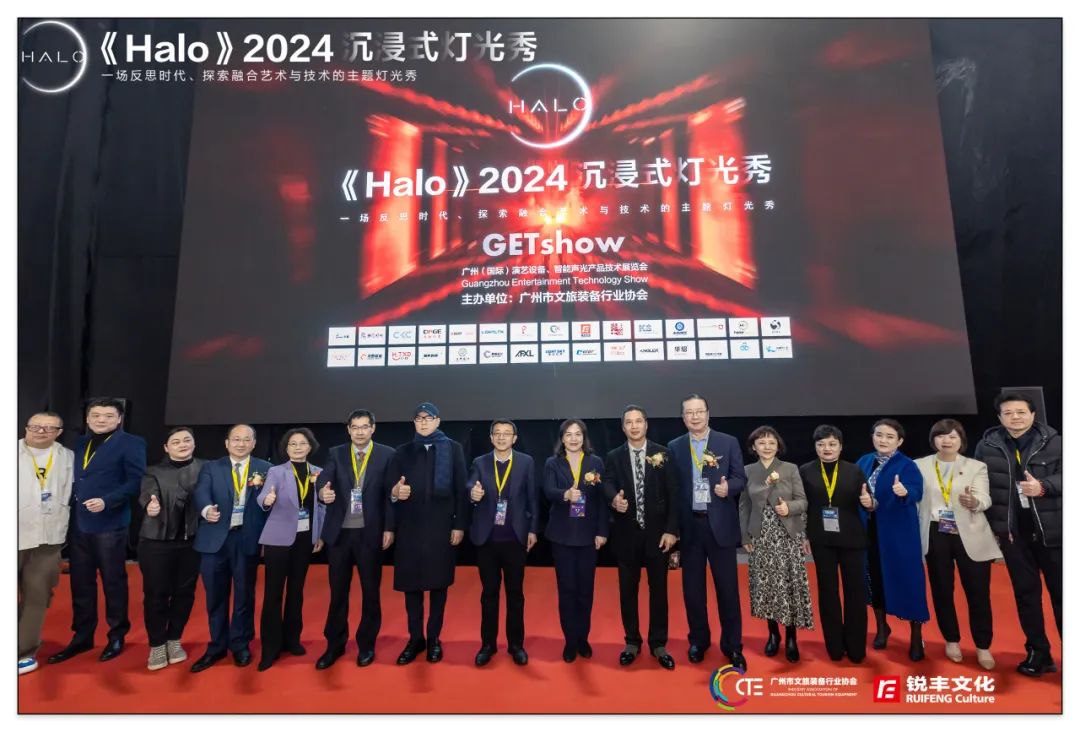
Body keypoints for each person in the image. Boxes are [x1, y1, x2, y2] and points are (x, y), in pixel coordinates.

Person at [49, 398, 146, 665]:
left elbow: (136, 481)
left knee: (113, 582)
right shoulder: (81, 442)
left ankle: (117, 635)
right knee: (80, 583)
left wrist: (107, 501)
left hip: (110, 524)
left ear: (119, 419)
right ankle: (82, 636)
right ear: (88, 418)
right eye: (95, 415)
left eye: (108, 415)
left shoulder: (132, 443)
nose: (101, 420)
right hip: (79, 524)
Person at [974, 392, 1062, 677]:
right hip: (1013, 535)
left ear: (1033, 414)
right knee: (1026, 596)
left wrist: (1045, 486)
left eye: (1021, 412)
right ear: (1000, 417)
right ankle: (1038, 652)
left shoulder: (1056, 442)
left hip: (1054, 533)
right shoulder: (987, 446)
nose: (1015, 417)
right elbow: (980, 483)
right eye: (1008, 413)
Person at [667, 393, 747, 669]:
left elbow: (740, 478)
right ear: (683, 417)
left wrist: (729, 488)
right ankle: (698, 641)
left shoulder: (727, 442)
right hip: (690, 527)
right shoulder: (675, 446)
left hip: (720, 526)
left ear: (708, 413)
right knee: (693, 591)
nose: (695, 417)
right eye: (689, 412)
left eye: (699, 411)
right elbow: (672, 489)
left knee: (728, 590)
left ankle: (733, 645)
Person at [312, 409, 396, 669]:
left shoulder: (387, 454)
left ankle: (366, 644)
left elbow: (389, 494)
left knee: (371, 592)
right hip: (340, 534)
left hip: (371, 532)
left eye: (364, 427)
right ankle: (334, 644)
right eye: (355, 427)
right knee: (338, 592)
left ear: (373, 428)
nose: (360, 432)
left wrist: (389, 528)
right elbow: (323, 480)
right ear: (348, 430)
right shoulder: (336, 453)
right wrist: (322, 492)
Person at [915, 419, 1000, 670]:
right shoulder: (919, 465)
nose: (947, 441)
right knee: (942, 590)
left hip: (970, 532)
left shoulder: (976, 466)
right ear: (933, 439)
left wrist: (976, 502)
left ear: (961, 440)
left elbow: (985, 497)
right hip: (935, 531)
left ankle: (983, 646)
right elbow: (915, 498)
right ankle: (951, 640)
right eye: (941, 436)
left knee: (978, 593)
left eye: (952, 436)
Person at [389, 402, 468, 665]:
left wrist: (459, 525)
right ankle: (415, 639)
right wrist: (395, 493)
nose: (423, 422)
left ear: (438, 421)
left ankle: (434, 638)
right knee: (411, 586)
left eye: (428, 417)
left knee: (438, 585)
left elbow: (461, 490)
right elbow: (389, 489)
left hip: (441, 528)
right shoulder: (402, 452)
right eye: (419, 418)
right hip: (409, 528)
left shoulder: (453, 449)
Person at [190, 424, 271, 672]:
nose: (241, 444)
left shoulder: (265, 468)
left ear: (254, 443)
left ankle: (240, 644)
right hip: (215, 539)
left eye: (246, 439)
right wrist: (206, 510)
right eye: (236, 439)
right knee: (215, 596)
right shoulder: (211, 467)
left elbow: (269, 502)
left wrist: (268, 504)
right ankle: (216, 646)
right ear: (227, 443)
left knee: (244, 595)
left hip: (247, 538)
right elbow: (200, 493)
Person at [602, 405, 679, 670]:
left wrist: (671, 530)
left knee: (659, 591)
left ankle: (658, 644)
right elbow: (607, 482)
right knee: (628, 591)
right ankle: (632, 642)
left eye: (638, 421)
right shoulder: (614, 456)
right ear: (623, 427)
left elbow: (674, 493)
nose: (634, 426)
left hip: (658, 536)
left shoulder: (663, 453)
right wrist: (614, 499)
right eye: (629, 422)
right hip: (626, 535)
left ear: (646, 424)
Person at [738, 425, 813, 663]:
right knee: (767, 587)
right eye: (761, 442)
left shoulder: (790, 468)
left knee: (789, 586)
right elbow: (744, 506)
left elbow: (803, 502)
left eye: (771, 442)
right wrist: (745, 536)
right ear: (753, 447)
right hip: (760, 536)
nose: (767, 446)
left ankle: (791, 637)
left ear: (778, 445)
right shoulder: (747, 471)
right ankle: (773, 634)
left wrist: (788, 508)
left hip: (787, 535)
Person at [856, 418, 930, 661]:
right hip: (869, 532)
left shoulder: (907, 465)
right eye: (879, 435)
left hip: (899, 535)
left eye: (889, 436)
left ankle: (916, 636)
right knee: (874, 580)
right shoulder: (864, 461)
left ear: (899, 441)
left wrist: (905, 491)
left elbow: (917, 491)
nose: (883, 440)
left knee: (910, 583)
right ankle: (881, 628)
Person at [467, 419, 538, 667]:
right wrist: (473, 493)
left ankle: (516, 645)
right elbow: (470, 483)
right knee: (489, 594)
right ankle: (488, 644)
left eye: (506, 433)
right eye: (497, 433)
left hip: (515, 539)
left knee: (515, 594)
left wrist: (533, 529)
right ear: (491, 438)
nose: (501, 437)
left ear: (514, 438)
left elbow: (532, 498)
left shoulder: (526, 462)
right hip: (486, 540)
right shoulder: (480, 462)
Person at [254, 428, 326, 671]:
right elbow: (264, 496)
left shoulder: (318, 472)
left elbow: (322, 507)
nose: (297, 447)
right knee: (273, 594)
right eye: (292, 444)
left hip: (305, 539)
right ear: (286, 448)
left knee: (296, 591)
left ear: (310, 447)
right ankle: (270, 648)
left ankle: (292, 640)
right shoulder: (276, 471)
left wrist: (319, 534)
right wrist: (266, 500)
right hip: (278, 540)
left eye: (302, 443)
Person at [799, 424, 870, 663]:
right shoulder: (805, 471)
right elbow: (802, 507)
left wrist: (869, 503)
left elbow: (868, 501)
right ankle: (835, 646)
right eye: (821, 444)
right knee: (828, 592)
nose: (826, 448)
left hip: (852, 539)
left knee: (855, 592)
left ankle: (856, 647)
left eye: (832, 444)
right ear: (815, 447)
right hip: (821, 540)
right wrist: (804, 535)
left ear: (840, 446)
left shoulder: (854, 470)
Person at [137, 427, 204, 671]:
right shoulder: (153, 471)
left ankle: (174, 639)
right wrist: (151, 505)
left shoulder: (206, 468)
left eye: (187, 440)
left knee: (185, 593)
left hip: (192, 542)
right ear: (166, 447)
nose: (182, 444)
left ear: (194, 444)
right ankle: (157, 644)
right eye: (176, 442)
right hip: (157, 541)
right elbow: (148, 494)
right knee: (156, 593)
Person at [544, 418, 608, 663]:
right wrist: (565, 495)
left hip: (587, 536)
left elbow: (601, 500)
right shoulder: (552, 463)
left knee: (585, 591)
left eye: (578, 434)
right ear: (562, 438)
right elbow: (547, 491)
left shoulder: (595, 462)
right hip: (561, 536)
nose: (573, 439)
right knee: (567, 590)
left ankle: (583, 638)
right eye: (568, 434)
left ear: (584, 437)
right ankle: (570, 640)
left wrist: (602, 532)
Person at [19, 412, 74, 675]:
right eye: (36, 426)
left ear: (59, 432)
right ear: (26, 427)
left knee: (37, 596)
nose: (41, 431)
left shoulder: (68, 457)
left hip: (48, 538)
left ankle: (23, 651)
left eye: (49, 428)